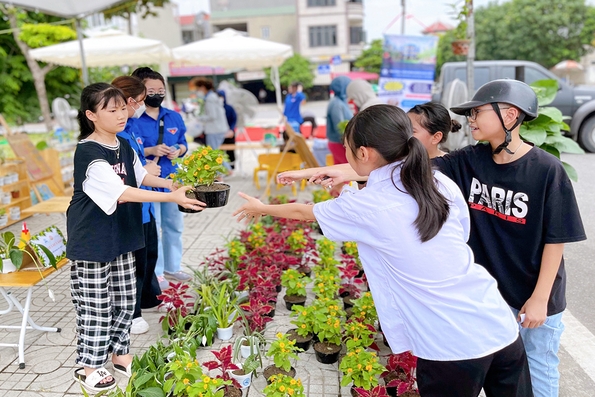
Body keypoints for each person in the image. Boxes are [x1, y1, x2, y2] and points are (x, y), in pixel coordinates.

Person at [235, 104, 533, 397]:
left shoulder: (369, 205)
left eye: (348, 148)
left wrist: (262, 208)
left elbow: (305, 212)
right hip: (498, 326)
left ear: (363, 153)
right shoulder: (438, 181)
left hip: (449, 344)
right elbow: (457, 235)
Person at [436, 79, 586, 397]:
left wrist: (539, 299)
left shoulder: (547, 170)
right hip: (491, 299)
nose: (471, 119)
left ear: (509, 116)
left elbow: (555, 239)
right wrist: (349, 170)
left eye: (478, 112)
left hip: (534, 296)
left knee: (539, 367)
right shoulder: (469, 161)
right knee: (499, 376)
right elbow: (409, 167)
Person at [67, 83, 203, 392]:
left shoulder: (123, 144)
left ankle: (120, 354)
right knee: (96, 305)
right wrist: (174, 199)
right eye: (111, 110)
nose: (121, 114)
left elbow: (140, 176)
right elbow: (123, 192)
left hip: (124, 234)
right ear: (91, 115)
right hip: (92, 241)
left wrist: (170, 185)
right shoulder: (88, 151)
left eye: (121, 108)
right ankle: (90, 366)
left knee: (126, 299)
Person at [131, 67, 191, 290]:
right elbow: (132, 150)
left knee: (174, 225)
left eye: (161, 90)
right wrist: (151, 150)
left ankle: (173, 266)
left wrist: (179, 150)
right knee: (152, 228)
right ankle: (156, 272)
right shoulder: (133, 119)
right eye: (151, 90)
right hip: (148, 181)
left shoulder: (173, 116)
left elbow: (184, 143)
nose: (157, 94)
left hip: (172, 180)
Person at [111, 75, 162, 335]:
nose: (142, 106)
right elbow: (131, 176)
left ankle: (145, 299)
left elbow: (141, 170)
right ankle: (131, 314)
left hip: (146, 206)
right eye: (141, 101)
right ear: (130, 101)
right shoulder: (116, 136)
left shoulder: (130, 129)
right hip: (132, 208)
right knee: (132, 266)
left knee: (148, 256)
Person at [193, 77, 229, 152]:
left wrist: (200, 118)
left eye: (197, 89)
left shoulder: (210, 98)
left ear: (202, 88)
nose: (197, 91)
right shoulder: (213, 96)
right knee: (215, 155)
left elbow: (212, 115)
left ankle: (226, 165)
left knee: (213, 155)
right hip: (218, 129)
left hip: (214, 130)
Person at [326, 76, 353, 165]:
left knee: (340, 174)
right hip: (339, 143)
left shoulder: (341, 102)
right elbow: (339, 126)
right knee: (346, 171)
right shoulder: (336, 104)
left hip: (339, 143)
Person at [218, 90, 238, 170]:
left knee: (230, 151)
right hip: (219, 134)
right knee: (220, 151)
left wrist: (231, 130)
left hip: (229, 133)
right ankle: (222, 168)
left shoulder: (229, 108)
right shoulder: (216, 109)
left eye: (221, 97)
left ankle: (231, 167)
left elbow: (234, 119)